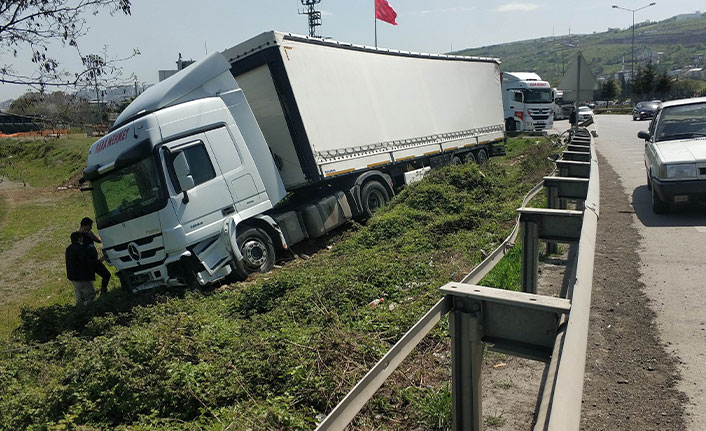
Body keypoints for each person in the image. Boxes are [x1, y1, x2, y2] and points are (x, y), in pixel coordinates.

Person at [78, 217, 111, 294]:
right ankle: (89, 296)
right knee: (88, 282)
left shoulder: (89, 233)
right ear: (84, 226)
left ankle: (103, 291)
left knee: (106, 275)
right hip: (87, 262)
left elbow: (98, 240)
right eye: (90, 226)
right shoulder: (78, 236)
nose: (91, 228)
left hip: (94, 260)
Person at [65, 231, 98, 305]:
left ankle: (79, 311)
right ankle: (89, 311)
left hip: (72, 276)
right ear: (80, 239)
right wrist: (97, 261)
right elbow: (85, 261)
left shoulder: (68, 249)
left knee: (79, 297)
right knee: (90, 295)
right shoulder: (80, 249)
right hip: (81, 277)